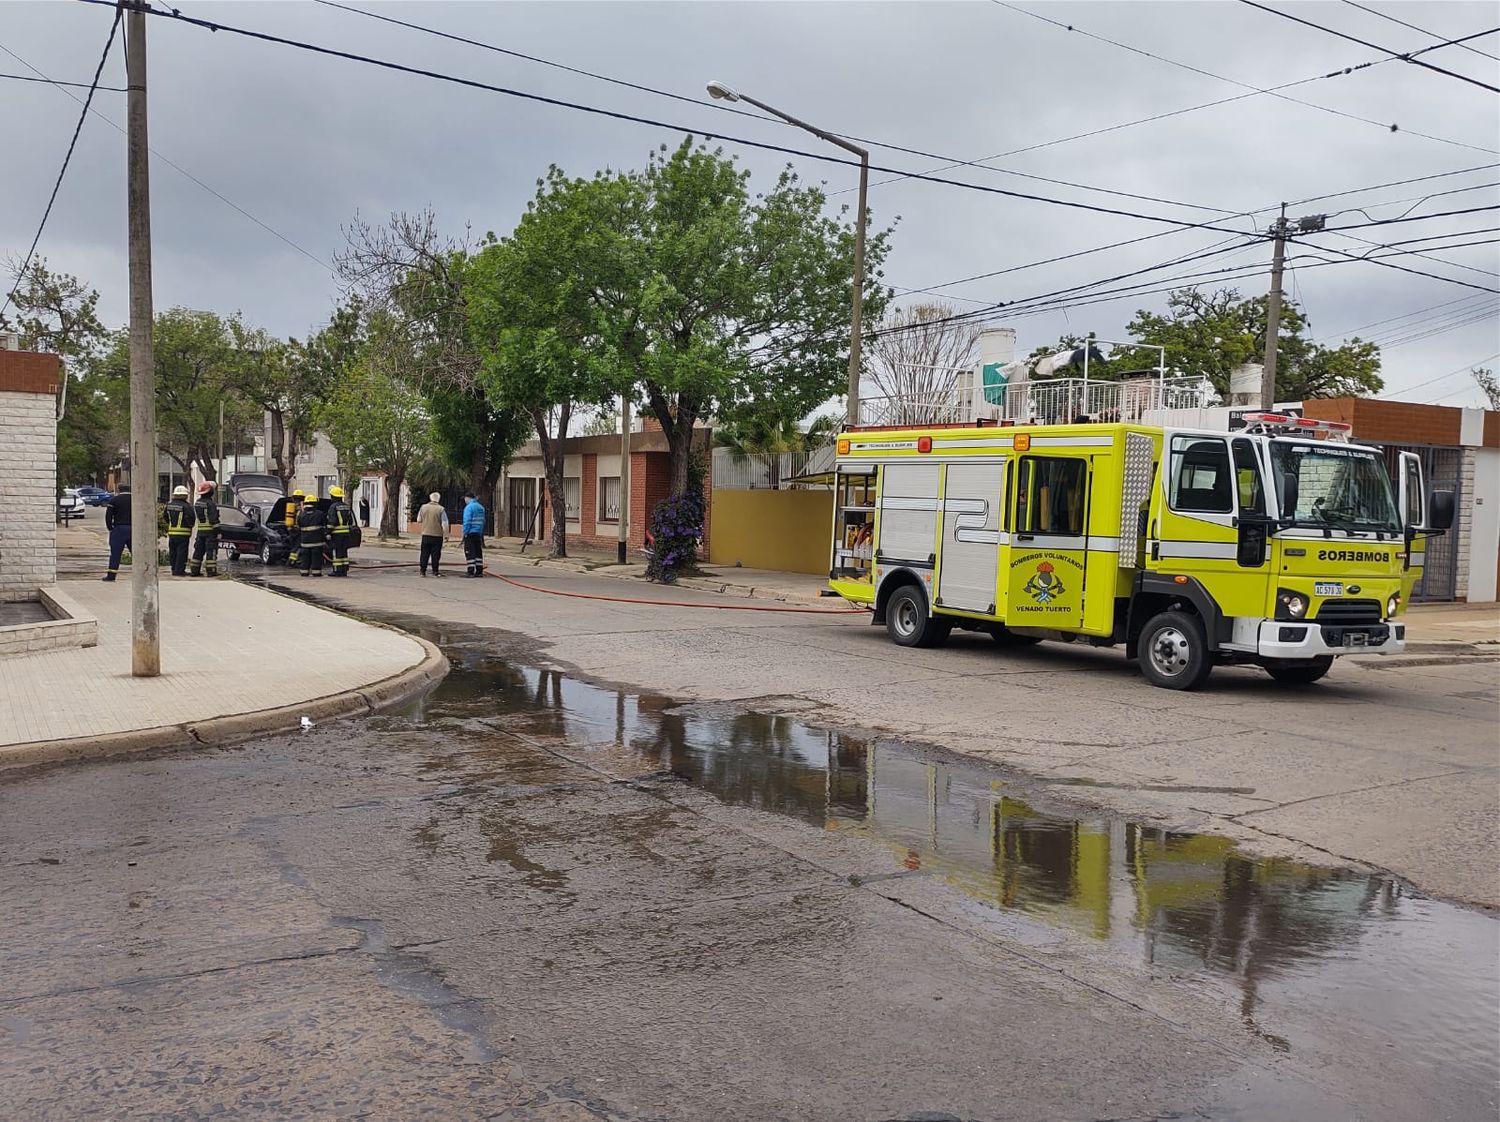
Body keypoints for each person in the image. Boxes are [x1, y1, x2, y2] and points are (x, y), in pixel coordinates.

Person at [189, 481, 220, 577]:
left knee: (198, 551)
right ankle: (211, 571)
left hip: (200, 531)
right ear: (210, 492)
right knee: (211, 551)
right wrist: (218, 531)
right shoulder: (210, 504)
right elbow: (213, 519)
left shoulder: (197, 503)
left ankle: (194, 571)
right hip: (210, 532)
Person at [164, 485, 196, 576]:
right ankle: (179, 570)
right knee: (181, 552)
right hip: (183, 533)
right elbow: (191, 519)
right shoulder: (187, 506)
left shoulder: (169, 505)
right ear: (185, 495)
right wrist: (189, 526)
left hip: (172, 533)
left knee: (172, 552)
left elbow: (165, 517)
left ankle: (173, 569)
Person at [102, 484, 132, 582]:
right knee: (137, 553)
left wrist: (110, 528)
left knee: (115, 553)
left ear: (119, 490)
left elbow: (108, 516)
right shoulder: (135, 499)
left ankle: (111, 575)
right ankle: (142, 574)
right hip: (133, 529)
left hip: (119, 529)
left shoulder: (114, 500)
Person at [416, 491, 447, 577]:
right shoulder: (441, 509)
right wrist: (446, 535)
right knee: (435, 554)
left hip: (426, 534)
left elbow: (418, 520)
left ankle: (422, 571)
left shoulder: (423, 507)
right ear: (438, 499)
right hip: (437, 535)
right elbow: (444, 523)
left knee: (424, 553)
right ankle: (435, 571)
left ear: (430, 498)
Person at [327, 485, 355, 577]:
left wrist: (327, 532)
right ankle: (344, 570)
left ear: (333, 497)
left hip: (336, 534)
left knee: (337, 552)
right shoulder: (346, 506)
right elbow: (350, 521)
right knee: (344, 552)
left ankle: (337, 570)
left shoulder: (333, 507)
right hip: (346, 534)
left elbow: (332, 522)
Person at [297, 495, 327, 577]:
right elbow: (325, 525)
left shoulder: (301, 515)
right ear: (315, 504)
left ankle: (304, 572)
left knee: (305, 558)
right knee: (316, 558)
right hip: (317, 542)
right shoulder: (320, 514)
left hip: (305, 542)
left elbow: (298, 526)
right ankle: (316, 572)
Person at [461, 490, 486, 578]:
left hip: (470, 532)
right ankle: (479, 571)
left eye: (465, 498)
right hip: (478, 533)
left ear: (467, 498)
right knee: (478, 552)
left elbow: (467, 521)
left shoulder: (469, 507)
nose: (464, 500)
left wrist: (465, 532)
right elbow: (483, 521)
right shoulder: (481, 507)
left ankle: (470, 571)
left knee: (470, 552)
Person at [285, 488, 304, 566]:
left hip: (292, 529)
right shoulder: (302, 508)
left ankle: (293, 560)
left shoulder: (292, 508)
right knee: (298, 546)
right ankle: (292, 561)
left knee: (295, 546)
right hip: (298, 530)